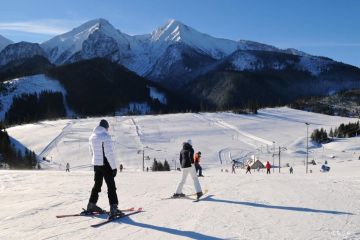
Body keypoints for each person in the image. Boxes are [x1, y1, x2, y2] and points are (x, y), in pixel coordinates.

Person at [87, 119, 123, 218]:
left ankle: (91, 205)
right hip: (105, 164)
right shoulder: (105, 137)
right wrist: (114, 168)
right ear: (105, 127)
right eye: (108, 127)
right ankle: (114, 208)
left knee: (97, 185)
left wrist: (95, 161)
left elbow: (92, 152)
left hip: (96, 164)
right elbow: (109, 154)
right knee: (111, 186)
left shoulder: (92, 137)